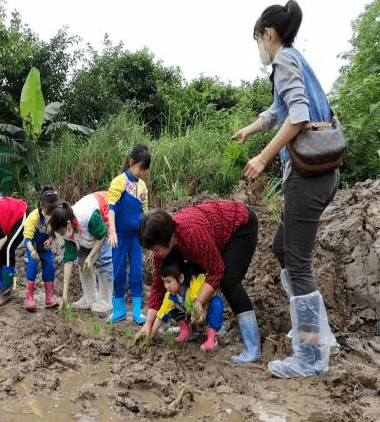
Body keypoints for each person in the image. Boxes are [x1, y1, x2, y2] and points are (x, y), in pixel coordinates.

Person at [232, 0, 339, 378]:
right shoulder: (296, 59)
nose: (259, 46)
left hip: (308, 178)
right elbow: (279, 110)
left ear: (269, 35)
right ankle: (318, 331)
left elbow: (297, 116)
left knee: (297, 262)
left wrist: (262, 158)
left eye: (258, 38)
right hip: (321, 174)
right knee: (281, 248)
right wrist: (251, 128)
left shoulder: (283, 62)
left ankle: (310, 355)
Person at [136, 201, 260, 363]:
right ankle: (193, 328)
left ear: (167, 238)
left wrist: (199, 302)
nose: (155, 254)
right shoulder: (165, 247)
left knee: (229, 281)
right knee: (188, 275)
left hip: (240, 225)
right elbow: (158, 287)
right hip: (211, 235)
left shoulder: (193, 235)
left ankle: (253, 347)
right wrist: (148, 325)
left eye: (156, 248)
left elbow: (216, 270)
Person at [49, 192, 113, 316]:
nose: (61, 235)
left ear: (68, 225)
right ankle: (90, 297)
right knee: (82, 262)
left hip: (105, 215)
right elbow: (68, 261)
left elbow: (101, 235)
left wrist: (91, 257)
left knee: (104, 261)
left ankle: (106, 301)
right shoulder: (66, 228)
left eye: (61, 232)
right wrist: (64, 296)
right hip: (86, 230)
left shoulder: (87, 216)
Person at [107, 144, 151, 324]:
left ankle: (137, 312)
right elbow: (111, 209)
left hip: (135, 238)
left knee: (136, 272)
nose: (141, 172)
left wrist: (146, 236)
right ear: (132, 162)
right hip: (120, 237)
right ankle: (118, 311)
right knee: (118, 272)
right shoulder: (119, 182)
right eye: (140, 167)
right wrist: (112, 231)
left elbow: (145, 214)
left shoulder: (142, 187)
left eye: (144, 169)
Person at [153, 255, 224, 351]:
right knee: (170, 309)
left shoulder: (194, 284)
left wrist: (203, 308)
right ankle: (186, 331)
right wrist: (150, 334)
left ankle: (212, 337)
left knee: (216, 302)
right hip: (191, 315)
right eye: (164, 282)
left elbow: (211, 288)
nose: (166, 286)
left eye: (169, 281)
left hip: (205, 313)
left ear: (181, 278)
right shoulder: (171, 296)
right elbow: (160, 316)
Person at [23, 186, 60, 311]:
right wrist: (32, 251)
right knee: (32, 267)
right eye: (50, 209)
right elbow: (27, 237)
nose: (52, 212)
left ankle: (49, 298)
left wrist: (50, 240)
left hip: (45, 247)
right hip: (32, 245)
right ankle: (30, 298)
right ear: (43, 205)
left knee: (49, 267)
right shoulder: (34, 217)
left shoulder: (55, 217)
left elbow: (55, 233)